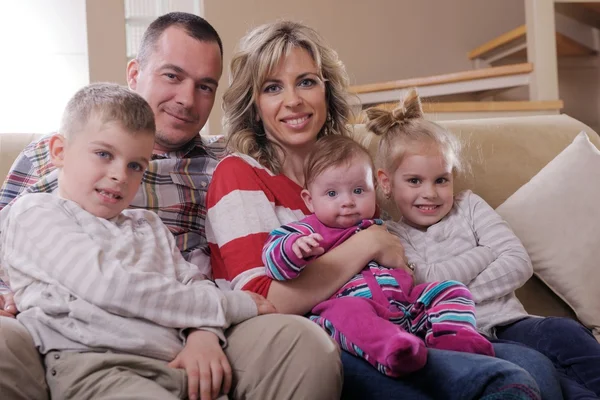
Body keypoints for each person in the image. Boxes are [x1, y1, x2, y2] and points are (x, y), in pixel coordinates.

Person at [205, 19, 557, 400]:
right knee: (505, 382)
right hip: (332, 340)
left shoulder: (348, 169)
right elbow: (265, 302)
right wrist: (369, 244)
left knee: (536, 366)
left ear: (326, 92)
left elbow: (404, 265)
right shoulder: (239, 173)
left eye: (306, 81)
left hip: (403, 319)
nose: (294, 100)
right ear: (254, 106)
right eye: (273, 87)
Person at [0, 12, 342, 400]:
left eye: (205, 86)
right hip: (74, 339)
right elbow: (11, 250)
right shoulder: (53, 156)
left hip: (191, 328)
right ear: (135, 74)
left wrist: (203, 331)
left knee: (301, 343)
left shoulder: (223, 166)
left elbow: (197, 276)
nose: (186, 99)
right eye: (172, 76)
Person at [2, 82, 280, 399]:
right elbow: (110, 286)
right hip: (98, 365)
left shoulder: (147, 224)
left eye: (135, 165)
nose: (120, 175)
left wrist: (203, 331)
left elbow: (194, 281)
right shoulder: (37, 213)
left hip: (177, 362)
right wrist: (232, 305)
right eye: (104, 154)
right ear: (59, 151)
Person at [372, 88, 596, 399]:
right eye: (414, 181)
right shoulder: (391, 236)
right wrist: (485, 253)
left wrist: (455, 297)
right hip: (464, 338)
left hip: (512, 322)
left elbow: (518, 262)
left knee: (567, 332)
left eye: (441, 180)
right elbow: (423, 281)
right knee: (550, 379)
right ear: (386, 183)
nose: (431, 193)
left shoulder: (470, 207)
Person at [262, 134, 494, 377]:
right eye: (332, 194)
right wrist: (294, 249)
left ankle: (457, 341)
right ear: (309, 200)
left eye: (359, 190)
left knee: (451, 289)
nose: (348, 202)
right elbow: (272, 260)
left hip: (403, 305)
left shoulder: (384, 227)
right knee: (345, 313)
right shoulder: (308, 230)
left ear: (376, 189)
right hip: (352, 309)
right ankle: (394, 351)